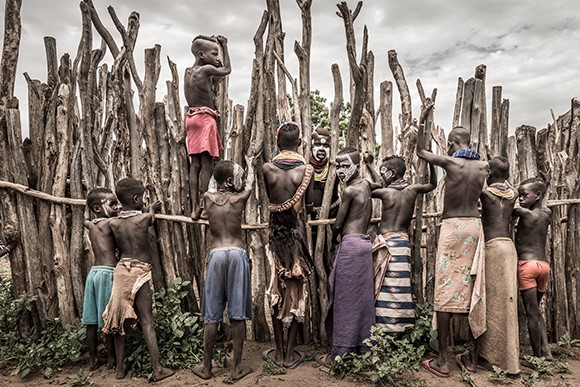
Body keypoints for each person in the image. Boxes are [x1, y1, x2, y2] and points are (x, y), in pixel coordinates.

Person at [416, 99, 489, 378]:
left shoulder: (449, 161)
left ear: (450, 142)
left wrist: (423, 118)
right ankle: (471, 357)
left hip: (452, 228)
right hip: (474, 227)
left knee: (445, 292)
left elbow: (421, 150)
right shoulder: (483, 167)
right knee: (473, 288)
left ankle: (443, 359)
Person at [102, 178, 174, 381]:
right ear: (136, 199)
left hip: (121, 271)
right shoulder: (143, 219)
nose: (143, 201)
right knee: (147, 321)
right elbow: (151, 217)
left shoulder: (114, 223)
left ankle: (119, 369)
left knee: (118, 319)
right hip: (140, 271)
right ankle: (158, 369)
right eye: (142, 198)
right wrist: (151, 208)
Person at [192, 155, 256, 381]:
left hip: (217, 254)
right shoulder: (240, 198)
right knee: (237, 315)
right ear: (229, 181)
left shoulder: (207, 198)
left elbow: (194, 216)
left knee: (212, 316)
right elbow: (250, 184)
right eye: (237, 175)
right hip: (237, 254)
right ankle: (236, 369)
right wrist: (250, 164)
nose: (242, 178)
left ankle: (206, 368)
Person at [364, 149, 437, 334]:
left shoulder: (386, 193)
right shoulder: (412, 190)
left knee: (382, 287)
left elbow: (370, 188)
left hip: (386, 244)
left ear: (392, 174)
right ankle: (402, 329)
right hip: (402, 244)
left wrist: (369, 165)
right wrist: (430, 162)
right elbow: (432, 184)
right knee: (401, 288)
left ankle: (383, 330)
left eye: (384, 171)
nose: (382, 175)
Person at [262, 122, 314, 369]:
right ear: (300, 144)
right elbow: (308, 205)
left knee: (276, 292)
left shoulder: (267, 169)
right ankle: (290, 355)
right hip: (296, 239)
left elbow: (269, 200)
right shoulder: (306, 171)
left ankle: (279, 352)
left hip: (275, 239)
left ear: (277, 143)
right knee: (296, 294)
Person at [317, 146, 375, 368]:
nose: (340, 171)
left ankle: (339, 354)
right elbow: (383, 184)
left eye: (345, 166)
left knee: (344, 301)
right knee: (361, 301)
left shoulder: (350, 191)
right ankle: (362, 350)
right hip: (364, 244)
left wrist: (331, 243)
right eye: (338, 166)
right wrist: (371, 165)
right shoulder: (366, 186)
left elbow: (339, 224)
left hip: (350, 245)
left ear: (355, 166)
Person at [478, 157, 520, 374]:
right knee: (508, 302)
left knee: (492, 304)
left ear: (489, 174)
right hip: (509, 248)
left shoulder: (485, 194)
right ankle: (509, 358)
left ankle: (490, 356)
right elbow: (508, 187)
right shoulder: (513, 195)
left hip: (492, 248)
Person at [184, 34, 231, 220]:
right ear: (202, 55)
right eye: (215, 53)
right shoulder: (206, 70)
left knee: (194, 164)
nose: (218, 58)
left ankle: (194, 208)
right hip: (205, 119)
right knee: (206, 164)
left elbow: (204, 88)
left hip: (191, 118)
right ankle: (204, 207)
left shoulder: (189, 71)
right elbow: (227, 69)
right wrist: (225, 45)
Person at [513, 176, 553, 360]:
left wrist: (512, 193)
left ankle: (537, 357)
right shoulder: (547, 214)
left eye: (524, 195)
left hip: (527, 266)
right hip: (544, 266)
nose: (520, 198)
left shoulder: (524, 213)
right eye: (520, 195)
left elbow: (510, 208)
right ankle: (547, 351)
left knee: (531, 312)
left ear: (537, 195)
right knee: (536, 310)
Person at [82, 187, 122, 370]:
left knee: (91, 321)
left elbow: (86, 222)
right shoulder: (111, 223)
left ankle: (93, 360)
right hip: (108, 273)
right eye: (112, 204)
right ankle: (113, 360)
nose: (118, 207)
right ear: (98, 208)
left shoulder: (92, 224)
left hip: (94, 273)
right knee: (108, 319)